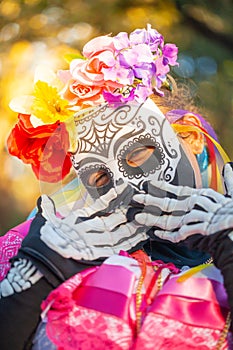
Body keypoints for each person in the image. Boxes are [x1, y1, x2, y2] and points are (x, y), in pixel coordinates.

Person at [0, 24, 233, 349]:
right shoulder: (62, 242)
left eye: (138, 154)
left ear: (190, 137)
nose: (124, 184)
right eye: (98, 177)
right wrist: (41, 267)